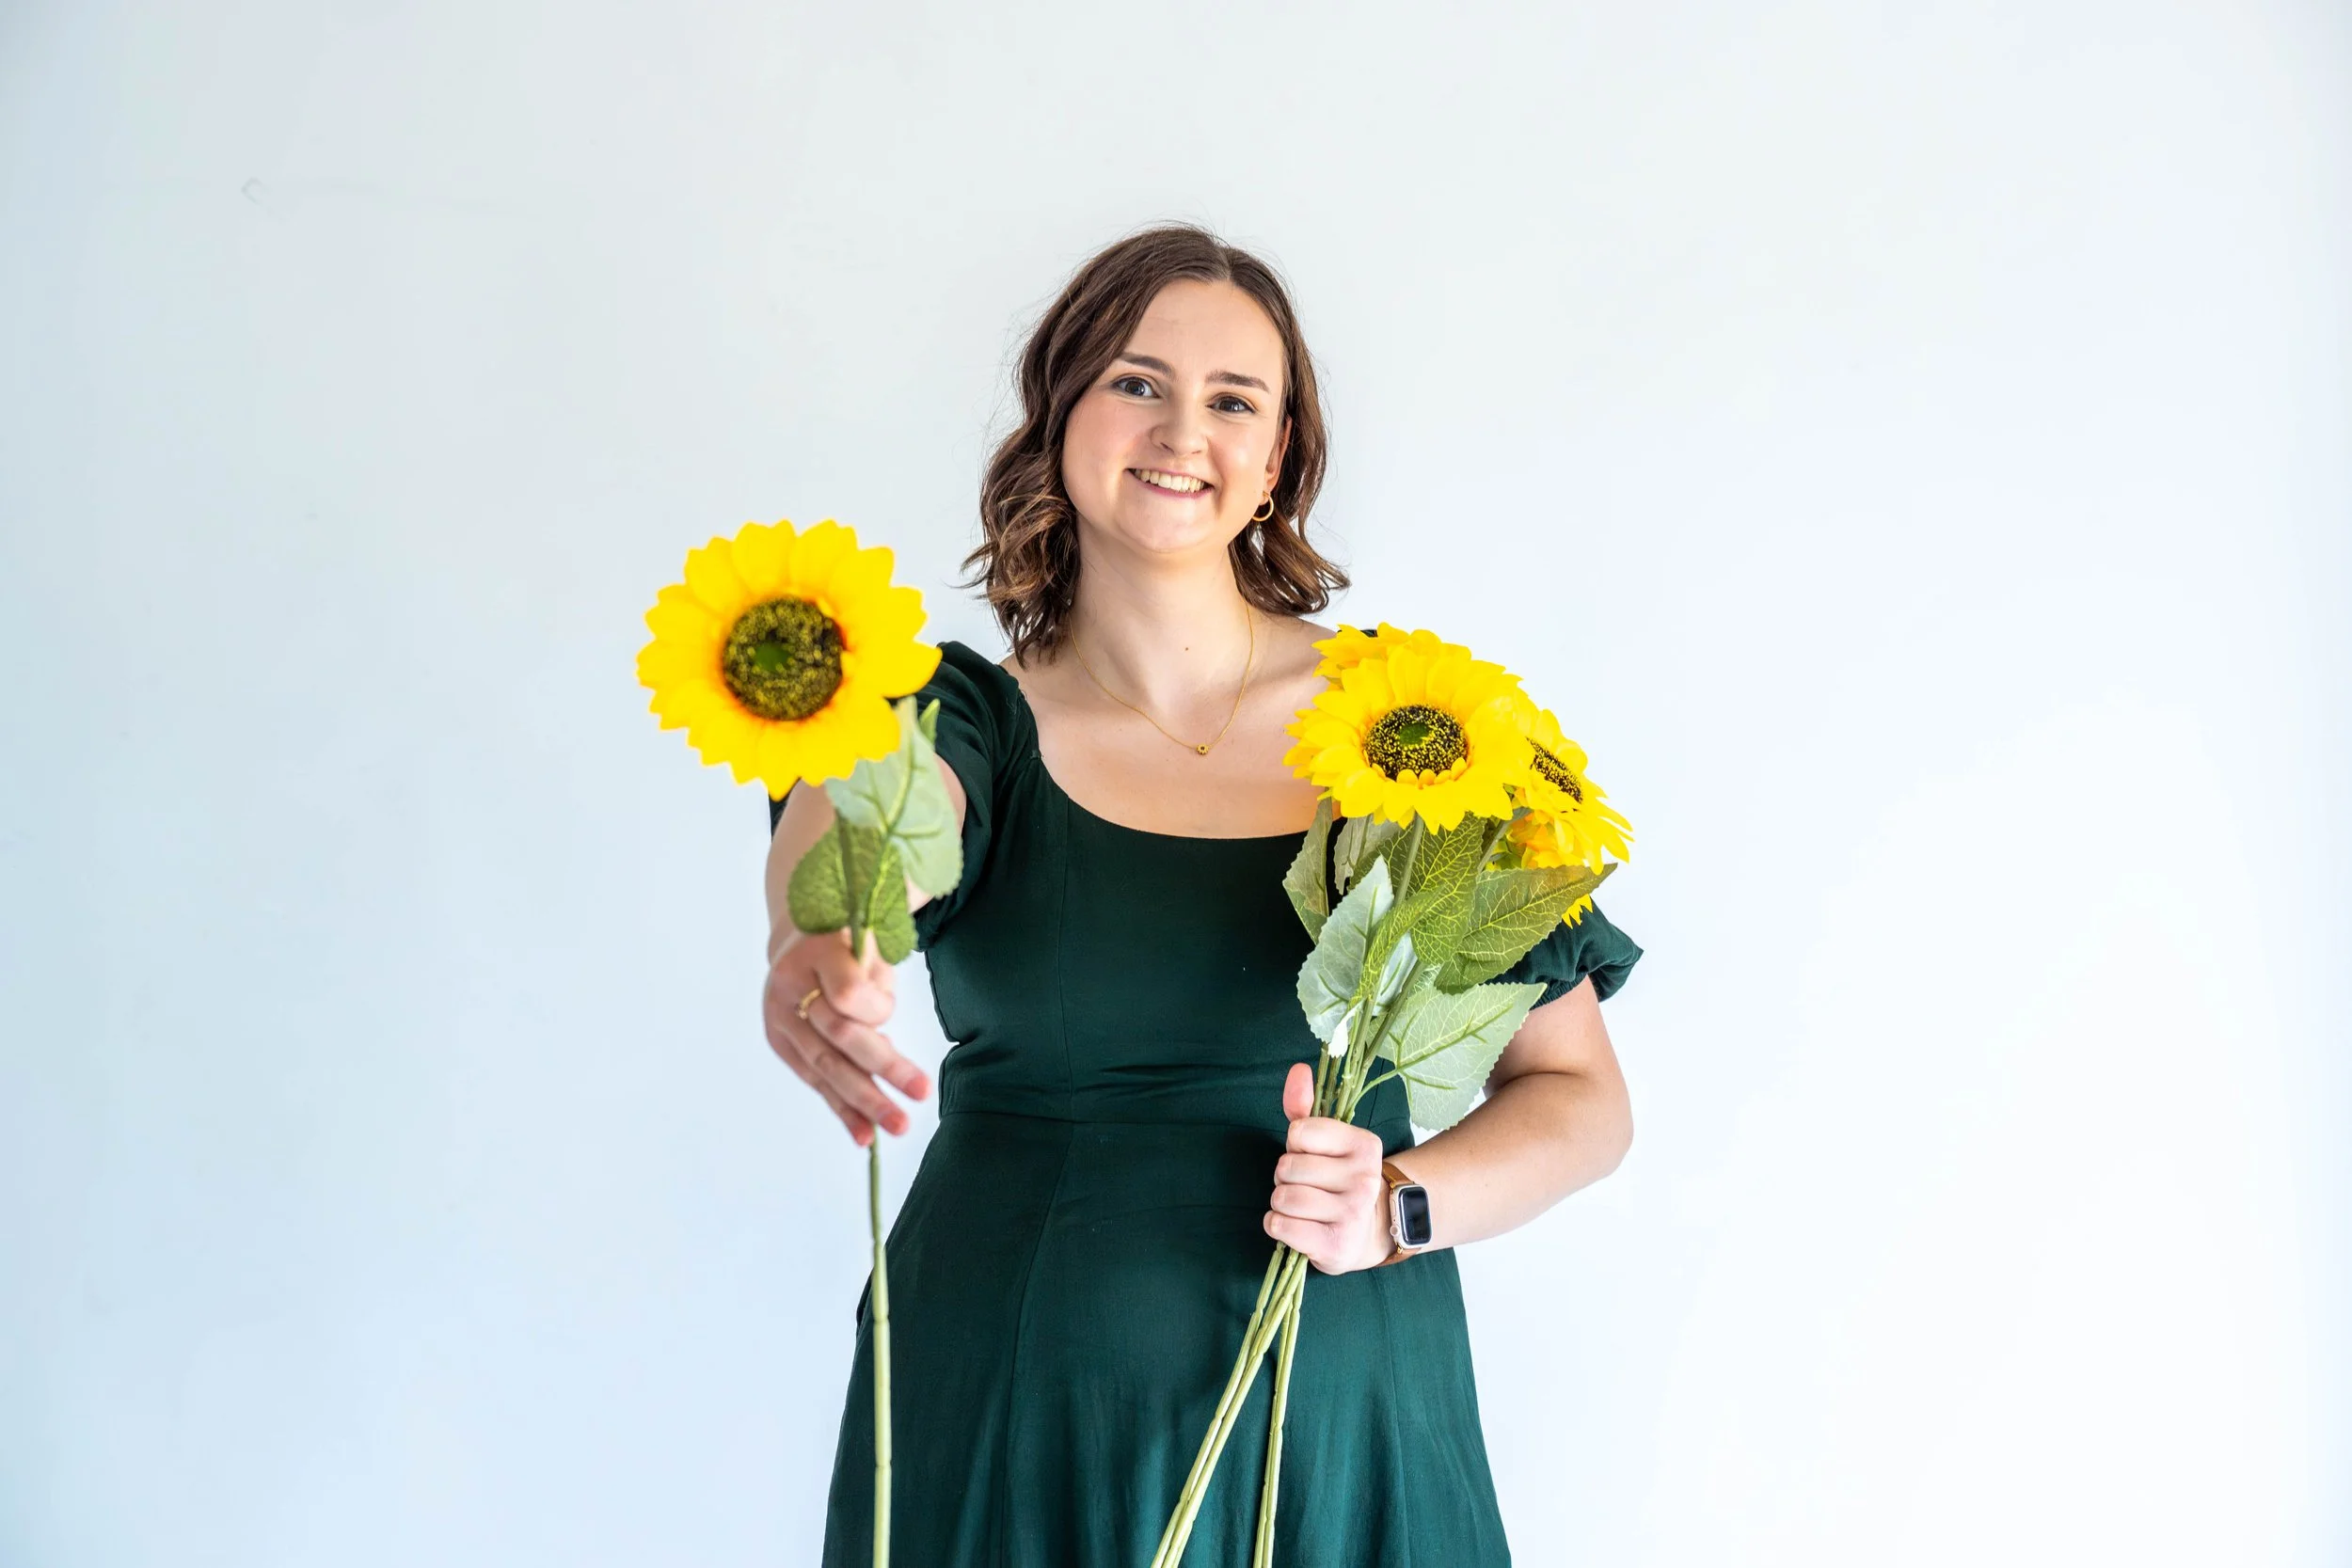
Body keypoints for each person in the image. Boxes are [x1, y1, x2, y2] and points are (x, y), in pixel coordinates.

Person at [761, 224, 1644, 1566]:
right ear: (1059, 410)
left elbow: (1581, 1098)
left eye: (1235, 398)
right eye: (1136, 380)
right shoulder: (959, 715)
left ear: (1279, 456)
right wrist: (822, 944)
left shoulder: (1419, 734)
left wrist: (1399, 1206)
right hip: (1007, 1406)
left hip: (1346, 1413)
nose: (1184, 427)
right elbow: (877, 837)